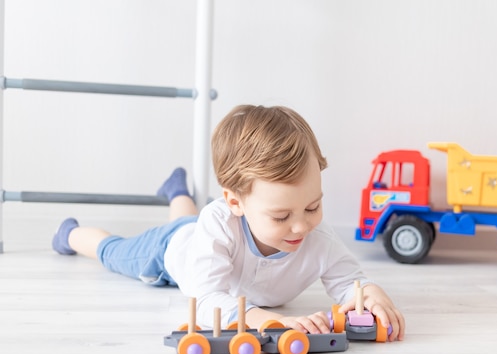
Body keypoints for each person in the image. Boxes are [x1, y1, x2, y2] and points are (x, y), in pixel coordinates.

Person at [52, 104, 405, 341]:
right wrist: (267, 321)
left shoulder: (319, 239)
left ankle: (177, 191)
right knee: (114, 251)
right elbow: (205, 299)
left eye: (313, 207)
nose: (301, 227)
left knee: (189, 220)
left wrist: (371, 297)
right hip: (168, 253)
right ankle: (71, 234)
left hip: (195, 233)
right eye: (281, 216)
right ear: (235, 202)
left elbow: (351, 282)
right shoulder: (219, 223)